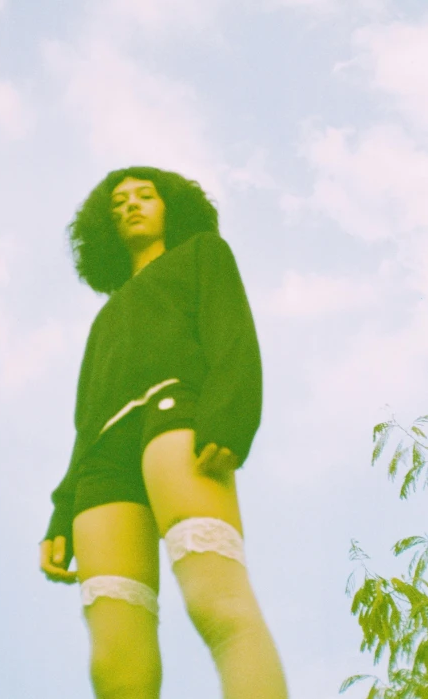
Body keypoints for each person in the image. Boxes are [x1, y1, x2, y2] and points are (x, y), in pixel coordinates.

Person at [40, 166, 288, 698]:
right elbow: (85, 423)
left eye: (144, 196)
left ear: (169, 205)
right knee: (114, 658)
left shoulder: (203, 255)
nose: (129, 206)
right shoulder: (104, 321)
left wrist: (230, 416)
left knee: (216, 601)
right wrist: (62, 511)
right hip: (103, 463)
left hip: (174, 417)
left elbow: (232, 335)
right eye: (117, 204)